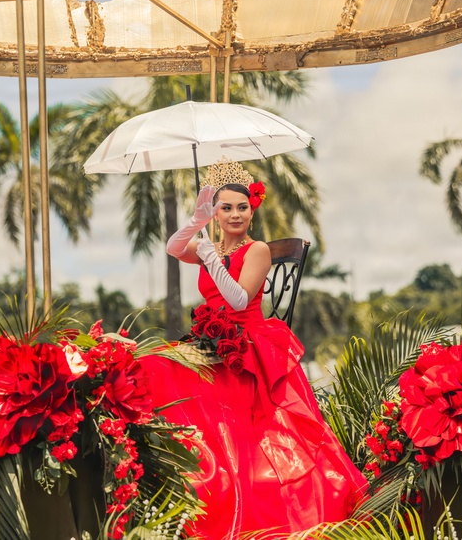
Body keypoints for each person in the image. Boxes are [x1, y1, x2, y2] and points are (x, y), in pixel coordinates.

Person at [142, 160, 366, 538]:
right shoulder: (208, 244)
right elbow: (173, 246)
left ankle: (236, 487)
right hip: (212, 342)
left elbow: (238, 298)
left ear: (252, 210)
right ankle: (179, 472)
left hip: (246, 346)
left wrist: (212, 260)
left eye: (241, 207)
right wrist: (197, 220)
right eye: (225, 207)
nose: (234, 214)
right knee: (153, 362)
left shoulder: (257, 249)